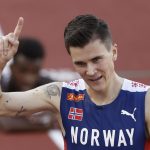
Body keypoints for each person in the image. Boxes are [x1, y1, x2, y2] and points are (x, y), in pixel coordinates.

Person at [0, 14, 150, 149]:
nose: (90, 71)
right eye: (80, 63)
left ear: (114, 52)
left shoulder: (145, 101)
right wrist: (1, 62)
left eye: (96, 59)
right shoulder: (60, 96)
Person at [0, 37, 55, 131]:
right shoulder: (3, 85)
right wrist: (44, 124)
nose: (28, 79)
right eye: (23, 71)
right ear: (12, 68)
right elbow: (5, 124)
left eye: (35, 71)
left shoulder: (49, 86)